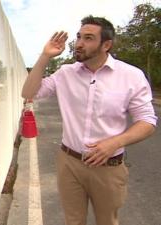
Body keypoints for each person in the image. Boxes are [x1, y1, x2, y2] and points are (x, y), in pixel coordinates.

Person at [21, 15, 157, 225]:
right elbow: (29, 92)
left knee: (107, 222)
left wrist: (115, 142)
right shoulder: (66, 72)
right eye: (78, 37)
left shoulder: (131, 75)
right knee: (73, 221)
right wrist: (45, 56)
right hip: (69, 163)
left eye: (88, 38)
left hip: (108, 166)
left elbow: (147, 122)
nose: (79, 44)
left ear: (106, 45)